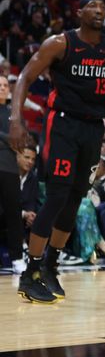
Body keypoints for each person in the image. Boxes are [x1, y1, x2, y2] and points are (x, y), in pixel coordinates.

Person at [9, 0, 105, 304]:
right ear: (78, 12)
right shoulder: (59, 43)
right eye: (92, 6)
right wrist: (16, 120)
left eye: (103, 6)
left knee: (75, 199)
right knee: (58, 195)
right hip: (61, 124)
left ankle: (50, 266)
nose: (99, 10)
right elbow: (24, 77)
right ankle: (30, 272)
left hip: (93, 129)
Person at [0, 75, 26, 273]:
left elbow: (21, 139)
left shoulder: (13, 114)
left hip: (9, 167)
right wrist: (9, 139)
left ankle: (17, 257)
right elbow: (12, 139)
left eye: (5, 85)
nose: (2, 88)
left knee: (13, 213)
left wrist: (9, 140)